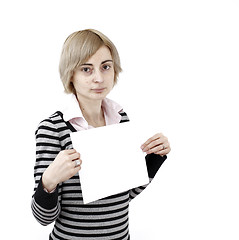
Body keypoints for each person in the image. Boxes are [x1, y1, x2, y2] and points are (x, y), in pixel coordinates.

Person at [31, 29, 171, 240]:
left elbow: (123, 196)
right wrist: (48, 181)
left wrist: (154, 158)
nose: (99, 78)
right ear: (71, 74)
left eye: (106, 67)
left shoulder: (120, 119)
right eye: (87, 69)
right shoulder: (53, 128)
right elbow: (44, 218)